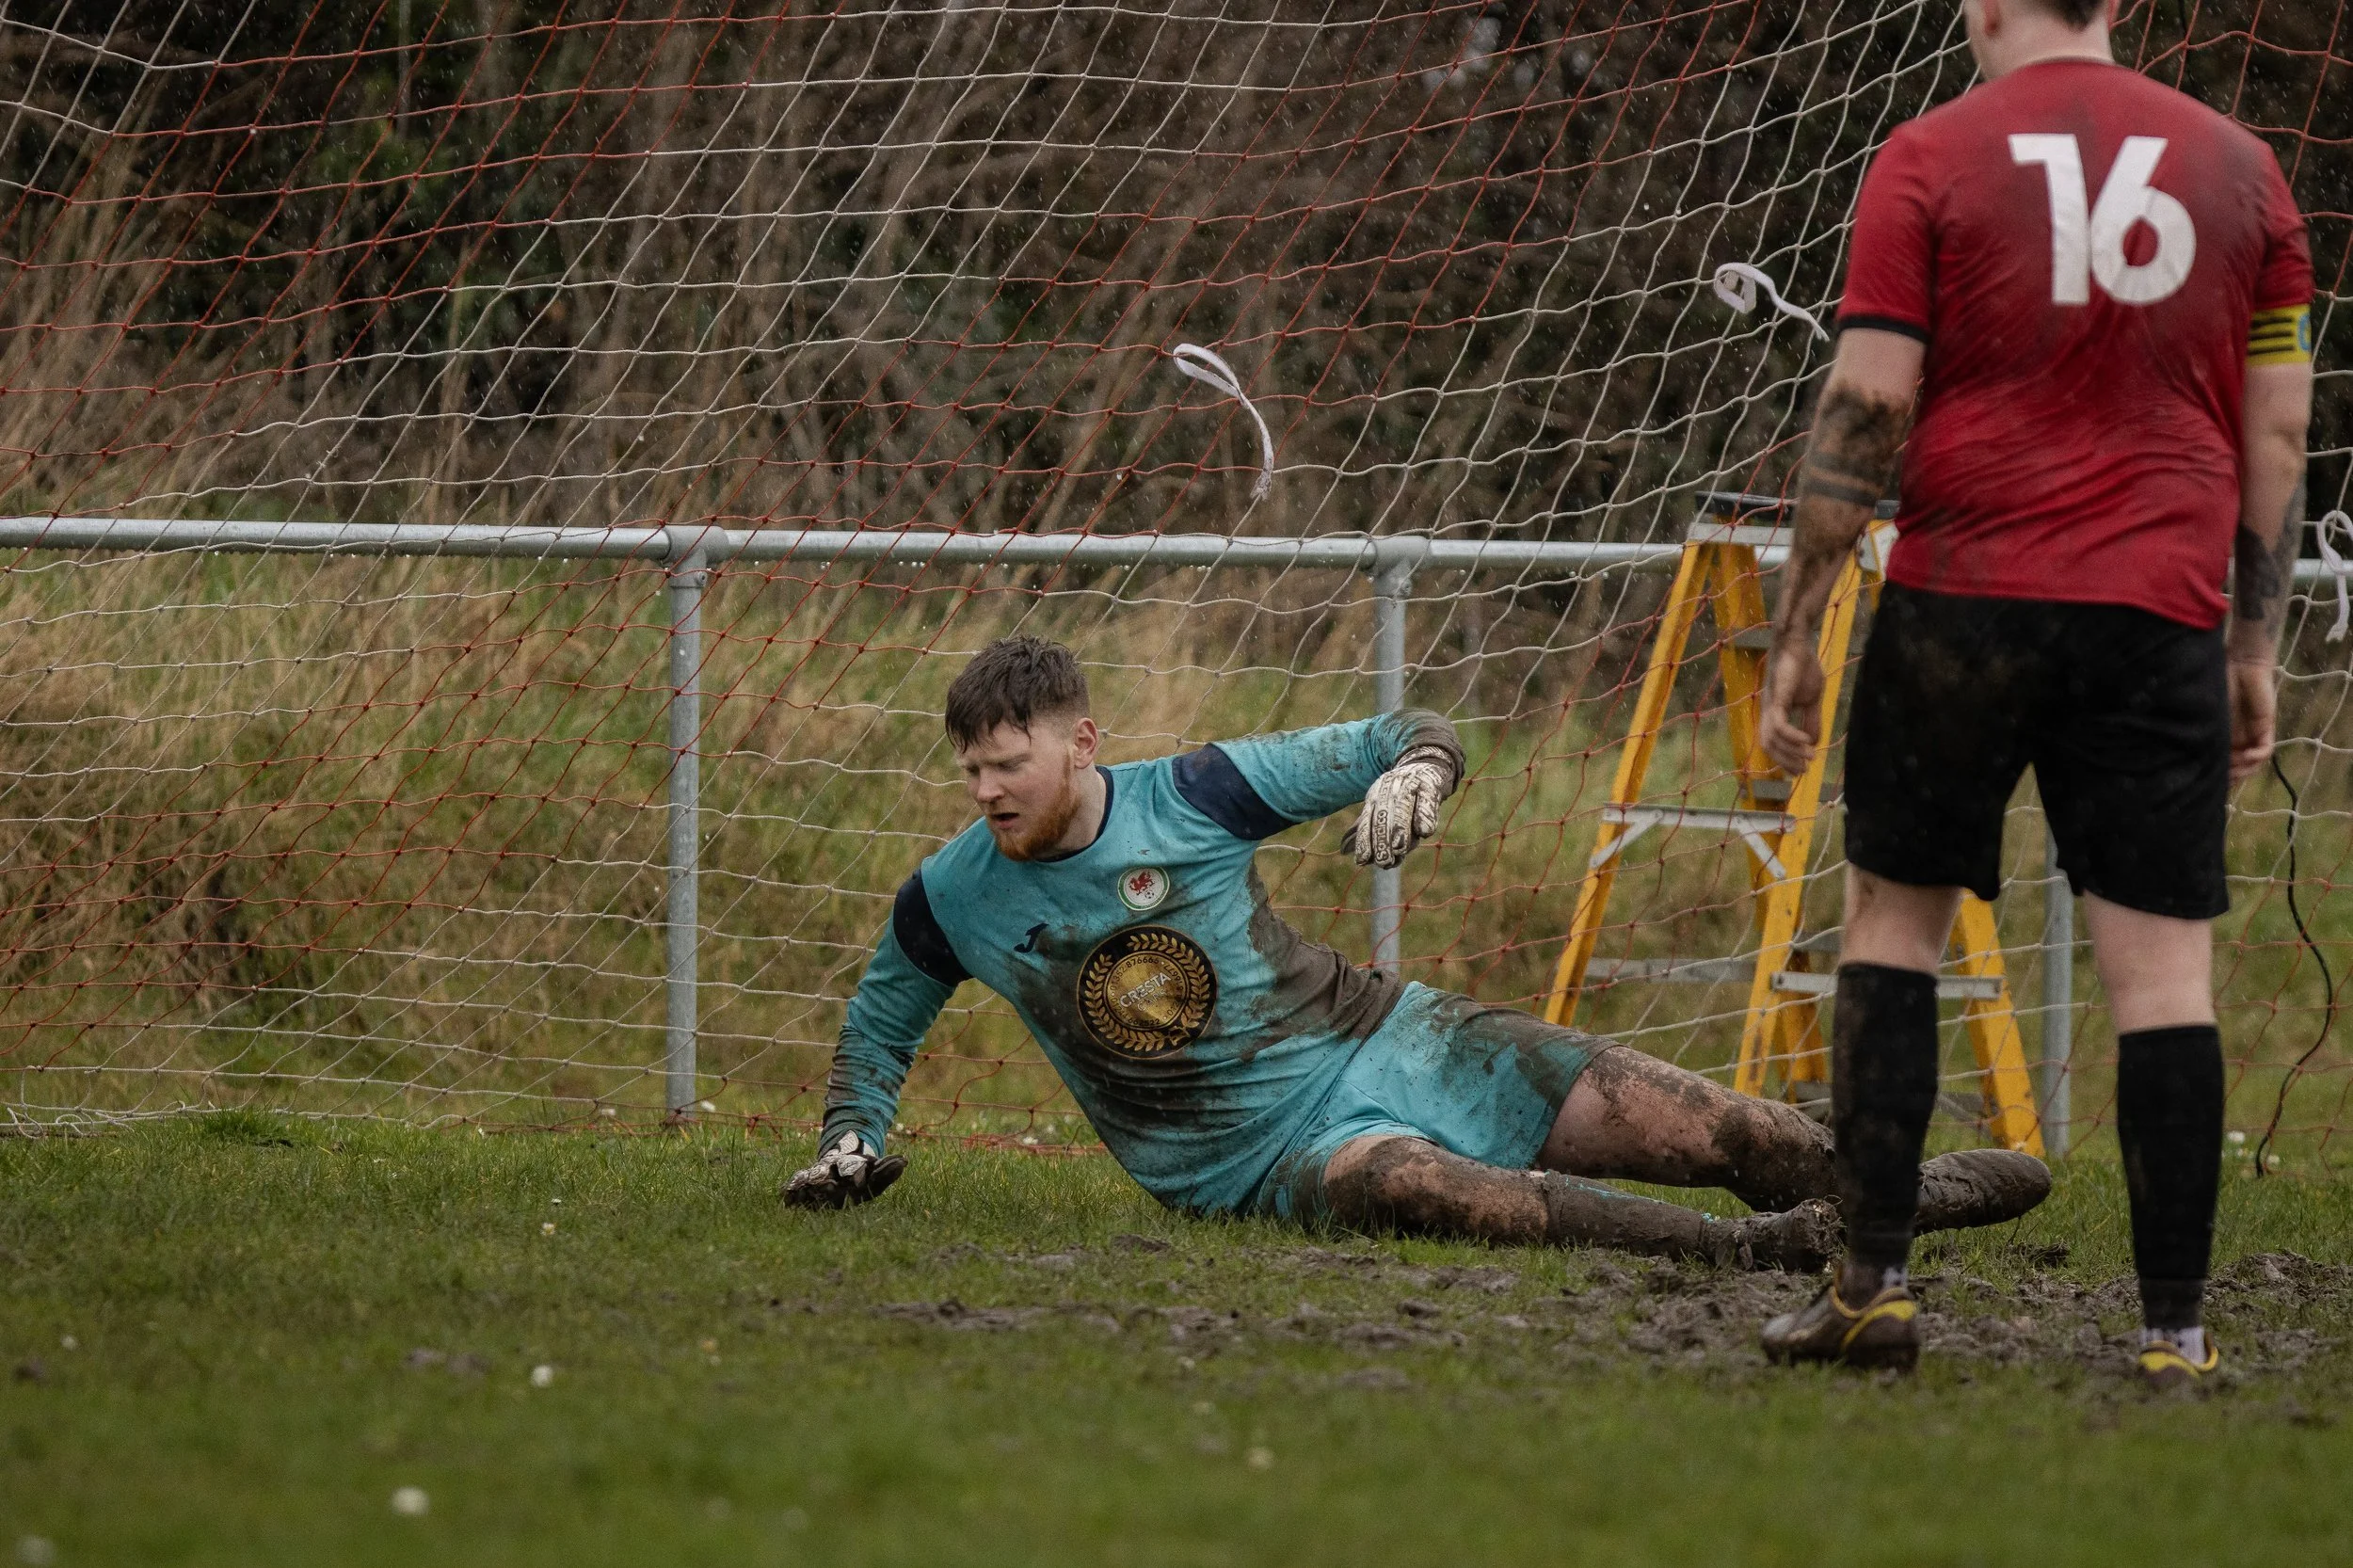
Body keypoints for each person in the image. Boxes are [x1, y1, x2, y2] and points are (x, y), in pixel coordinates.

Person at [785, 635, 2049, 1269]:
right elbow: (881, 1020)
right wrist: (854, 1129)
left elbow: (1409, 724)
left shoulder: (1206, 790)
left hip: (1394, 1035)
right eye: (971, 770)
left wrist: (1422, 775)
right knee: (1418, 1189)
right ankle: (1748, 1255)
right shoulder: (953, 893)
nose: (988, 790)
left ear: (1082, 743)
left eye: (1010, 763)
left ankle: (1898, 1195)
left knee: (1728, 1133)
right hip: (1261, 1154)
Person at [1754, 0, 2313, 1383]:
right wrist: (2253, 643)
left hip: (1964, 599)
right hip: (2157, 615)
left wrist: (1799, 624)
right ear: (2112, 4)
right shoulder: (2246, 170)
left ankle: (1872, 1289)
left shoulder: (1927, 155)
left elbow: (1869, 403)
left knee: (1892, 927)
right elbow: (2281, 427)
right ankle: (2175, 1331)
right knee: (2166, 980)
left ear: (1990, 5)